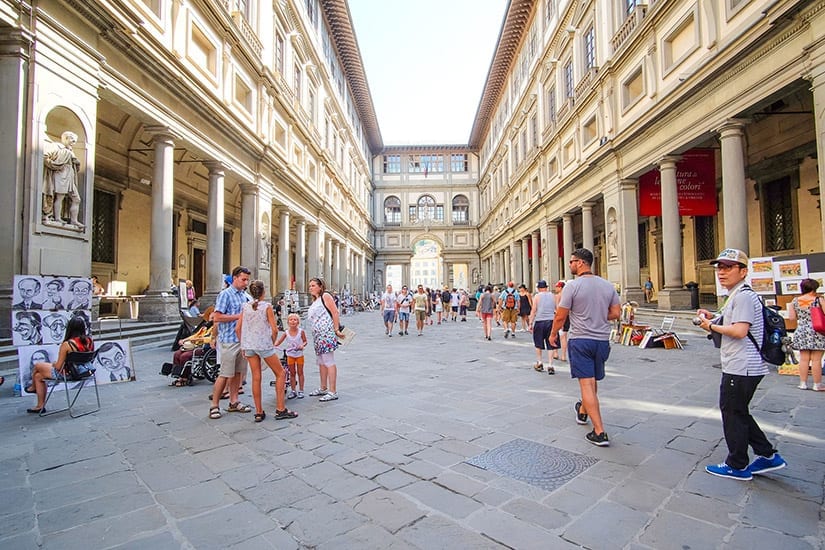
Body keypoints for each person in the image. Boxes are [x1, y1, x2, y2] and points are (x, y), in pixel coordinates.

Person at [696, 248, 786, 480]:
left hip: (742, 366)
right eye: (720, 268)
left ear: (743, 271)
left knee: (732, 413)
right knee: (738, 411)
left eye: (728, 267)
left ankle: (737, 464)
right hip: (742, 365)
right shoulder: (736, 295)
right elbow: (732, 320)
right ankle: (767, 455)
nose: (721, 273)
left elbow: (739, 330)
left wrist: (711, 327)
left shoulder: (744, 296)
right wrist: (712, 317)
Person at [550, 248, 621, 447]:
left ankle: (599, 432)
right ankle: (582, 411)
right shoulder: (608, 286)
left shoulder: (572, 287)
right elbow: (616, 313)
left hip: (581, 339)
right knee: (592, 381)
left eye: (572, 261)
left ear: (581, 263)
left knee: (587, 384)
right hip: (601, 341)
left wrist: (553, 333)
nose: (570, 264)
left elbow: (561, 315)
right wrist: (598, 315)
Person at [236, 280, 297, 422]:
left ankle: (258, 412)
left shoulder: (245, 306)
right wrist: (273, 342)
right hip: (264, 345)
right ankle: (280, 409)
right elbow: (275, 329)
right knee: (280, 373)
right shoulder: (267, 306)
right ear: (264, 292)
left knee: (256, 377)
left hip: (249, 346)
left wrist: (243, 344)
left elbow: (237, 328)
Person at [208, 266, 253, 420]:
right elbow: (217, 317)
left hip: (242, 340)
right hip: (228, 340)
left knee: (238, 374)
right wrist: (238, 316)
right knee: (225, 374)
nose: (246, 282)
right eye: (243, 279)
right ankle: (214, 405)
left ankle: (234, 401)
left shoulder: (244, 296)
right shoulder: (225, 295)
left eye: (247, 280)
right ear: (234, 278)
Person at [26, 315, 93, 414]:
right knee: (38, 376)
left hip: (68, 374)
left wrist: (53, 364)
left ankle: (33, 388)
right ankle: (39, 406)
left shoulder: (67, 344)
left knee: (37, 366)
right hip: (85, 372)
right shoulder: (89, 341)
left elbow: (58, 367)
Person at [307, 277, 345, 401]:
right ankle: (323, 388)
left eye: (313, 285)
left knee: (329, 361)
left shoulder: (325, 296)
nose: (310, 288)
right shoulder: (316, 300)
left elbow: (335, 312)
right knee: (321, 362)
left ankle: (332, 391)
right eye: (310, 286)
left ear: (320, 286)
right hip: (318, 335)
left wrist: (336, 329)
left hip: (326, 333)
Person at [788, 278, 825, 391]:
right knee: (816, 359)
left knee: (804, 358)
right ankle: (817, 384)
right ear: (814, 288)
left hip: (802, 329)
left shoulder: (794, 301)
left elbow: (792, 318)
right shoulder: (819, 300)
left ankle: (803, 383)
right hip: (817, 329)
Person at [42, 130, 83, 227]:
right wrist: (53, 165)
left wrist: (76, 163)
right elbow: (45, 156)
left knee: (76, 199)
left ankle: (74, 220)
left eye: (75, 141)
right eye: (72, 140)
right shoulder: (56, 146)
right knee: (60, 197)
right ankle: (57, 218)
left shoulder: (70, 151)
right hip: (61, 175)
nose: (74, 142)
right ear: (66, 138)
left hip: (69, 177)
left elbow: (74, 165)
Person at [170, 306, 215, 387]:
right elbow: (194, 336)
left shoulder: (215, 328)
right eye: (210, 317)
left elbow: (212, 338)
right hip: (195, 345)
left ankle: (185, 377)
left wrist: (200, 339)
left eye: (213, 318)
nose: (211, 319)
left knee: (185, 356)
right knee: (177, 354)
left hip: (204, 347)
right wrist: (184, 340)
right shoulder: (204, 328)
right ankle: (178, 375)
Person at [275, 313, 308, 399]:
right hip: (290, 355)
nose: (293, 321)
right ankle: (293, 390)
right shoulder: (286, 332)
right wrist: (274, 345)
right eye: (291, 320)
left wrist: (302, 345)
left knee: (300, 372)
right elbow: (279, 341)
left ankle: (301, 390)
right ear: (288, 322)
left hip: (299, 354)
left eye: (295, 320)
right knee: (292, 373)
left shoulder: (301, 332)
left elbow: (305, 341)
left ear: (298, 322)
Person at [529, 280, 557, 374]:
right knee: (551, 343)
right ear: (546, 287)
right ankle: (550, 365)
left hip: (540, 321)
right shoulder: (553, 296)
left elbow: (533, 310)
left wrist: (530, 323)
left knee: (538, 343)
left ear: (538, 288)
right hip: (551, 321)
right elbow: (556, 309)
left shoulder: (536, 296)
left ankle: (540, 362)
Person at [552, 281, 569, 362]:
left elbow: (557, 308)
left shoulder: (558, 296)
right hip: (567, 316)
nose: (555, 288)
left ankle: (555, 353)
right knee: (564, 337)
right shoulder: (568, 296)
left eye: (557, 287)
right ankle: (564, 355)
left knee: (555, 335)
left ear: (560, 287)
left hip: (559, 316)